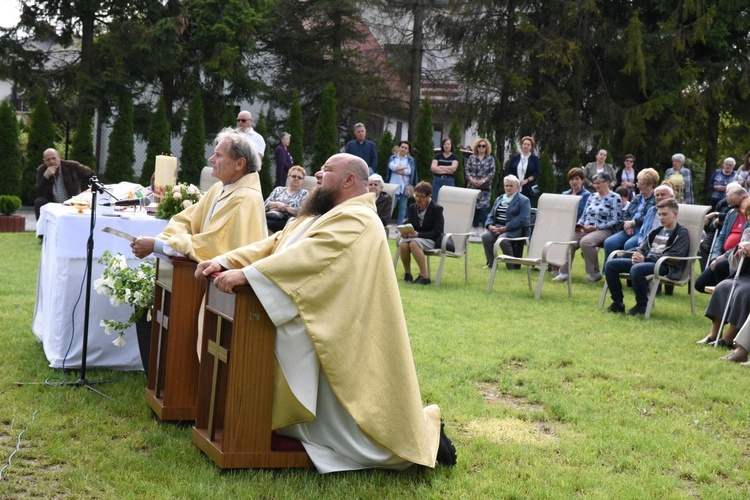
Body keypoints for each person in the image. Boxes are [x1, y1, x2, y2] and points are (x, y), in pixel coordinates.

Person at [194, 153, 456, 473]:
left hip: (337, 331)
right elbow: (278, 244)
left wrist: (249, 275)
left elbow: (311, 257)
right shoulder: (324, 214)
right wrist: (227, 261)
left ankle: (425, 435)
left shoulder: (358, 218)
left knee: (355, 435)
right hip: (316, 313)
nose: (317, 174)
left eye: (327, 170)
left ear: (349, 180)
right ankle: (251, 419)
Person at [131, 129, 267, 262]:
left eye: (219, 155)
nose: (211, 159)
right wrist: (164, 240)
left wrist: (158, 245)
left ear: (239, 163)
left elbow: (213, 245)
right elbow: (186, 220)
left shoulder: (244, 198)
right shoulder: (219, 188)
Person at [603, 198, 690, 316]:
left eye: (665, 214)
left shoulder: (681, 233)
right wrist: (637, 254)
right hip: (648, 262)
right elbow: (643, 247)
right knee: (611, 265)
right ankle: (618, 303)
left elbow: (674, 256)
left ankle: (641, 305)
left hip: (666, 266)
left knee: (637, 269)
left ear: (675, 214)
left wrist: (645, 259)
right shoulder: (656, 231)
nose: (661, 218)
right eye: (659, 214)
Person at [553, 173, 622, 283]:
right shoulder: (592, 196)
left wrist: (596, 227)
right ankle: (564, 273)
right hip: (586, 228)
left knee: (586, 242)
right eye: (594, 183)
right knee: (568, 240)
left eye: (598, 183)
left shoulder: (615, 197)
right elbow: (585, 215)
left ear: (607, 183)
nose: (595, 185)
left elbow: (615, 220)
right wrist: (579, 225)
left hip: (604, 230)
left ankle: (594, 274)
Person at [699, 220, 750, 348]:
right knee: (723, 286)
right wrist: (738, 252)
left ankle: (729, 339)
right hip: (744, 276)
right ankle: (714, 334)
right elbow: (734, 266)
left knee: (742, 292)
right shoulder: (747, 233)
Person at [695, 184, 749, 294]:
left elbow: (744, 243)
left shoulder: (749, 216)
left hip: (737, 257)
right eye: (732, 206)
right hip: (723, 255)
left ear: (746, 197)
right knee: (700, 284)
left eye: (737, 205)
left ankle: (724, 302)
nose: (736, 209)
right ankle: (722, 297)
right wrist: (715, 257)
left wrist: (724, 256)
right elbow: (721, 238)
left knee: (720, 267)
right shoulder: (731, 213)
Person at [602, 168, 659, 265]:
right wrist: (627, 225)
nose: (638, 185)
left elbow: (649, 218)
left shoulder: (656, 199)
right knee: (609, 242)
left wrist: (633, 222)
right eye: (638, 182)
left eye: (641, 183)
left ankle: (630, 275)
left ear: (650, 185)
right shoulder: (637, 198)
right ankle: (608, 273)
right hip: (629, 228)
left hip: (643, 231)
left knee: (629, 245)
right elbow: (626, 213)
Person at [481, 175, 531, 269]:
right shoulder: (499, 199)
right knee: (485, 236)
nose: (508, 188)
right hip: (497, 227)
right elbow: (491, 215)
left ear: (517, 187)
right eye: (506, 185)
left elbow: (523, 219)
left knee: (502, 240)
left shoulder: (524, 200)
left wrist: (506, 228)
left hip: (513, 229)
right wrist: (490, 226)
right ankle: (491, 263)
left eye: (511, 186)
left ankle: (511, 265)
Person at [399, 182, 444, 285]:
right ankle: (408, 274)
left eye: (422, 197)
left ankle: (424, 276)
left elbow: (437, 232)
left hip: (431, 239)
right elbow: (409, 222)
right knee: (403, 244)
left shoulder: (437, 209)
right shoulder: (412, 207)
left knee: (413, 243)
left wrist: (418, 234)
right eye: (416, 196)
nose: (418, 199)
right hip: (416, 237)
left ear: (428, 197)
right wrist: (405, 232)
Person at [34, 148, 95, 220]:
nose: (51, 161)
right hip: (53, 204)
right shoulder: (41, 170)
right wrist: (46, 177)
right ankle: (42, 230)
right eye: (48, 160)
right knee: (39, 201)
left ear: (59, 158)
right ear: (44, 161)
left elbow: (91, 174)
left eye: (54, 158)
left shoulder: (72, 166)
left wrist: (86, 194)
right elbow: (38, 193)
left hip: (72, 202)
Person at [264, 165, 309, 233]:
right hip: (272, 216)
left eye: (299, 178)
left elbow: (303, 211)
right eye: (293, 176)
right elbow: (265, 205)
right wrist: (277, 204)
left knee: (269, 223)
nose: (296, 178)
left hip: (289, 222)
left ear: (303, 180)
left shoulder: (304, 193)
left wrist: (283, 208)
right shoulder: (278, 189)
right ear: (288, 177)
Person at [465, 138, 496, 233]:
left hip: (484, 189)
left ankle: (485, 229)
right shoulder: (472, 158)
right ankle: (473, 229)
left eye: (483, 146)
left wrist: (482, 181)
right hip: (472, 187)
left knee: (483, 209)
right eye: (479, 146)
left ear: (486, 147)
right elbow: (467, 170)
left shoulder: (490, 159)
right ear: (476, 147)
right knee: (473, 208)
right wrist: (472, 180)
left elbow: (492, 173)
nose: (481, 148)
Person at [389, 140, 416, 225]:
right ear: (399, 147)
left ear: (408, 150)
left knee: (403, 207)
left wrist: (398, 169)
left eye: (405, 148)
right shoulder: (393, 158)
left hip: (405, 186)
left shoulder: (410, 160)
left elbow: (409, 171)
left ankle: (399, 226)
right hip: (394, 185)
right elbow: (391, 166)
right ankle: (385, 223)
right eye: (402, 147)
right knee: (391, 206)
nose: (403, 149)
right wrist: (403, 167)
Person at [505, 136, 540, 201]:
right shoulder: (515, 157)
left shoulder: (535, 159)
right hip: (514, 187)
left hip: (528, 187)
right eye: (524, 144)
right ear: (521, 145)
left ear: (531, 147)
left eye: (528, 145)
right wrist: (514, 180)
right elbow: (509, 170)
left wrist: (526, 180)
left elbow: (536, 173)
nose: (526, 146)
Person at [430, 138, 458, 203]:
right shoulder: (437, 156)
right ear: (442, 146)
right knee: (435, 201)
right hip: (437, 180)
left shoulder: (454, 157)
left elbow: (453, 169)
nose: (446, 146)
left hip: (449, 181)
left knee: (448, 200)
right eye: (445, 144)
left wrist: (440, 167)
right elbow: (433, 168)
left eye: (448, 144)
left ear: (451, 145)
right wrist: (448, 169)